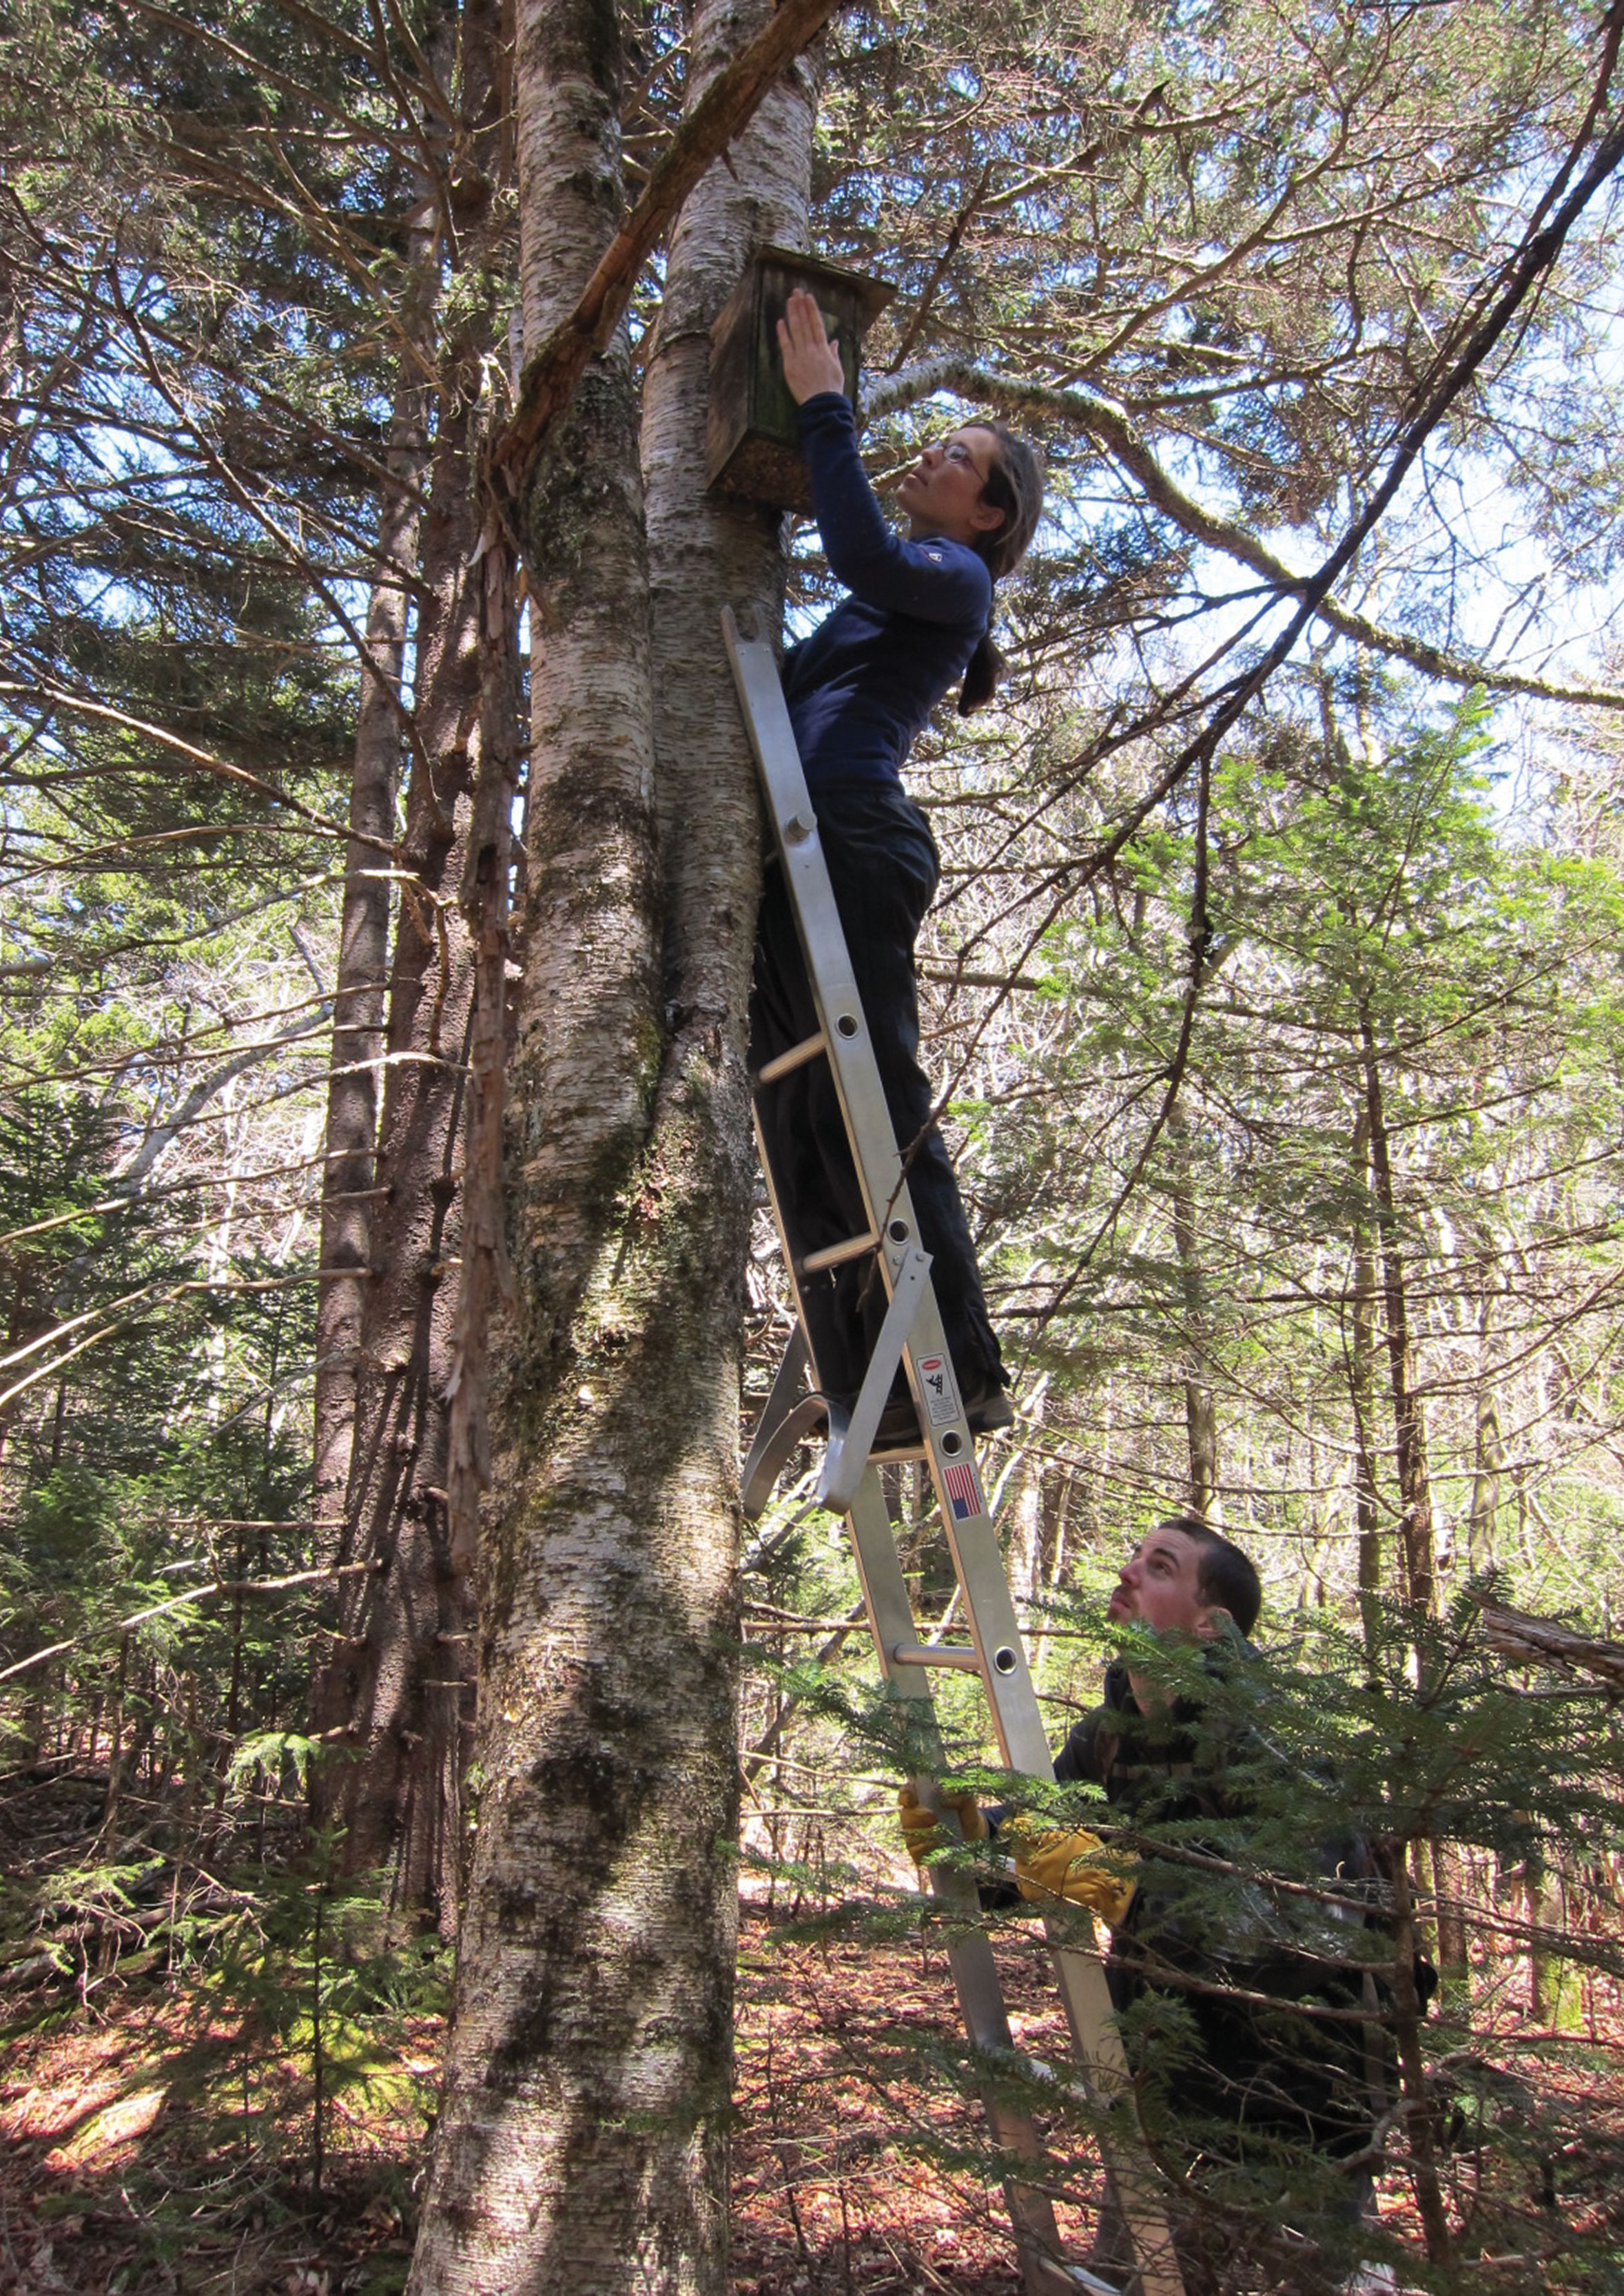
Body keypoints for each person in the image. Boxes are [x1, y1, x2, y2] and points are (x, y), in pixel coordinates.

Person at [903, 1516, 1411, 2293]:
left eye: (1161, 1566)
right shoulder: (1114, 1734)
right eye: (1135, 1554)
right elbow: (1047, 1850)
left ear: (1211, 1626)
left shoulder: (1274, 1740)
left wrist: (1129, 1886)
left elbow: (1313, 1926)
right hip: (1161, 2092)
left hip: (1293, 2114)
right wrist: (973, 1841)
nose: (1130, 1571)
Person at [749, 287, 1043, 1442]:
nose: (932, 453)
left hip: (856, 841)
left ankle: (959, 1369)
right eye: (939, 439)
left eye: (958, 456)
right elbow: (788, 677)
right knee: (810, 1106)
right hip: (801, 843)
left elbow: (859, 549)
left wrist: (826, 409)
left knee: (880, 1098)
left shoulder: (955, 577)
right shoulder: (894, 599)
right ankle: (873, 1371)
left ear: (990, 510)